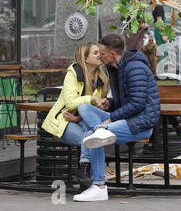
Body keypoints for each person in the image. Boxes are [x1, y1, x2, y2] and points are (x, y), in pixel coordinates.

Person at [72, 34, 161, 202]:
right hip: (126, 118)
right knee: (84, 107)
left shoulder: (134, 67)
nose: (99, 56)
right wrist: (110, 104)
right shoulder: (116, 68)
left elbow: (138, 104)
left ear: (112, 54)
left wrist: (111, 118)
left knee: (95, 137)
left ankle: (98, 186)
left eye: (102, 53)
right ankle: (99, 129)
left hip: (141, 122)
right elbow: (127, 100)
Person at [41, 43, 109, 190]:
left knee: (92, 136)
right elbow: (71, 103)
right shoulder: (73, 74)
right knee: (91, 140)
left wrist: (103, 104)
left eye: (100, 52)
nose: (100, 55)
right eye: (95, 53)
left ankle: (85, 174)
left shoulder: (102, 79)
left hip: (81, 122)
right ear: (85, 58)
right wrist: (91, 98)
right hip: (62, 122)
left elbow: (92, 110)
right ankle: (90, 177)